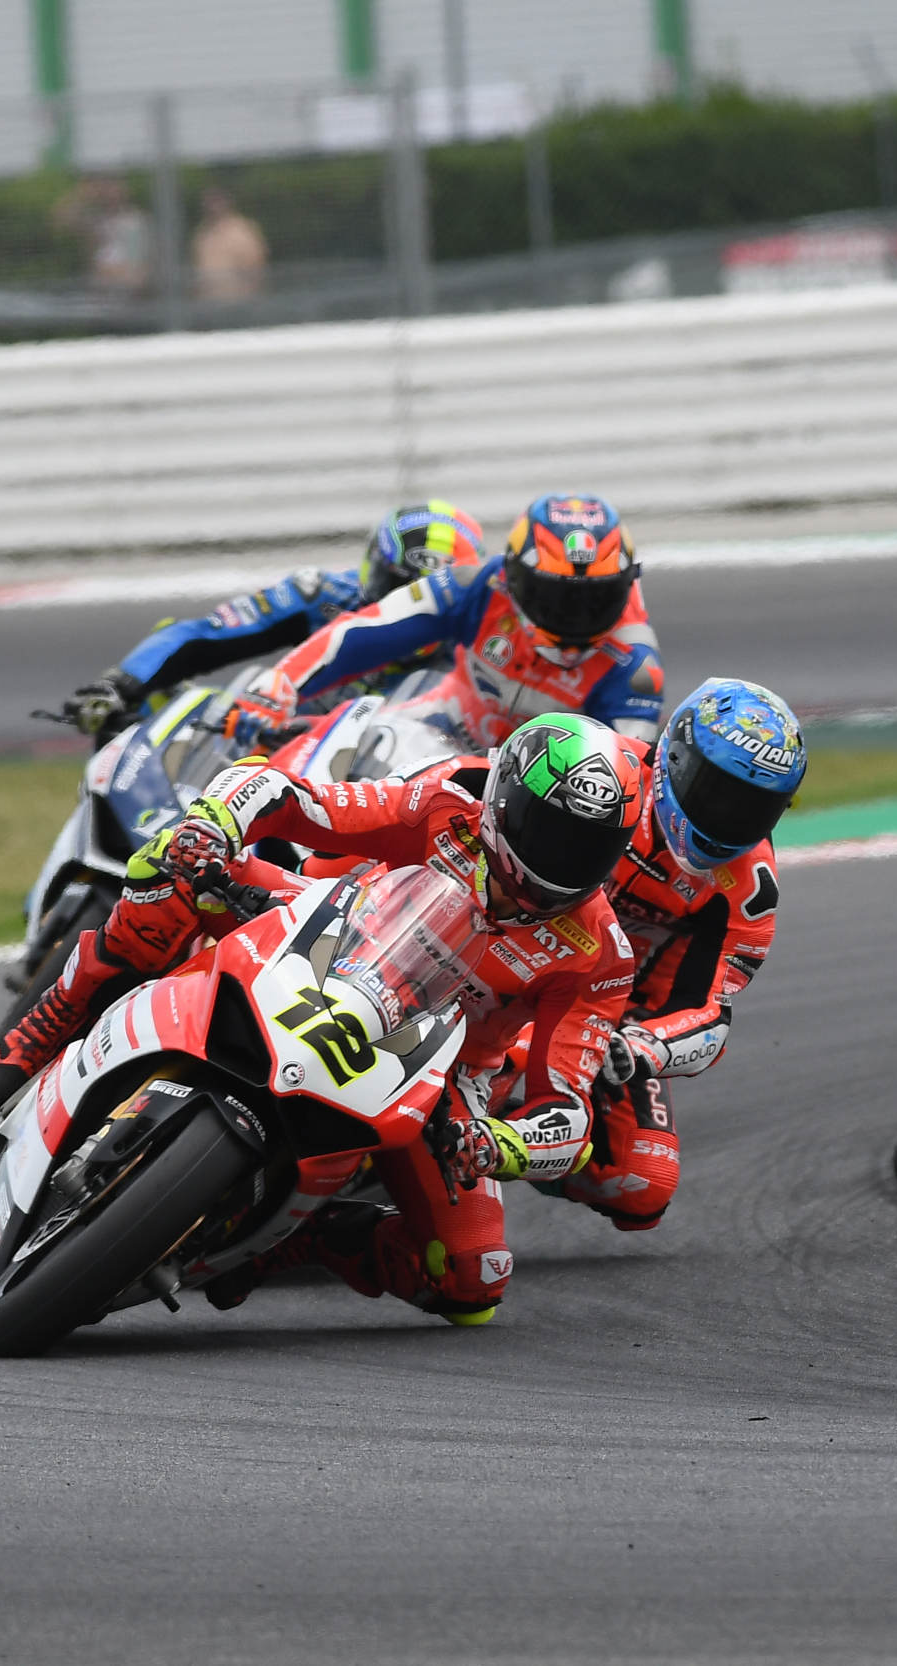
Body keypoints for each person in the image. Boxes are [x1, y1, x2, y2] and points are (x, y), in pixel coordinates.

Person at [0, 713, 645, 1324]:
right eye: (551, 832)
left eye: (589, 846)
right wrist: (214, 824)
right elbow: (291, 797)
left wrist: (499, 1144)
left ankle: (303, 1238)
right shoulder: (446, 802)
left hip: (444, 1070)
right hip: (331, 933)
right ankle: (53, 1017)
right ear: (503, 803)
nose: (564, 860)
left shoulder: (600, 954)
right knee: (170, 867)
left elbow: (568, 1113)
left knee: (474, 1278)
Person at [545, 678, 805, 1233]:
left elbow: (711, 1012)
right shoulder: (597, 769)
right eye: (718, 792)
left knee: (644, 1185)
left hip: (611, 1022)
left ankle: (520, 1154)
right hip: (512, 961)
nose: (729, 817)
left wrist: (640, 1047)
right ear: (675, 758)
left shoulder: (749, 890)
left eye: (754, 807)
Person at [227, 492, 667, 749]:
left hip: (530, 796)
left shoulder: (636, 668)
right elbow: (364, 630)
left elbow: (622, 785)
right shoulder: (476, 585)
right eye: (557, 597)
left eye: (595, 599)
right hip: (440, 730)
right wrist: (280, 684)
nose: (575, 618)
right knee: (318, 746)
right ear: (514, 576)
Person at [58, 501, 485, 741]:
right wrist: (121, 683)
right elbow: (203, 634)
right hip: (259, 751)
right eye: (396, 585)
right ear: (373, 567)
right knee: (168, 698)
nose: (408, 603)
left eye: (428, 594)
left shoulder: (481, 641)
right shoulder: (320, 593)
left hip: (373, 787)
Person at [191, 187, 270, 304]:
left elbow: (256, 269)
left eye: (216, 201)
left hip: (238, 302)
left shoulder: (244, 231)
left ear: (227, 202)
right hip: (208, 303)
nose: (212, 206)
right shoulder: (201, 233)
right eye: (208, 201)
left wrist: (250, 299)